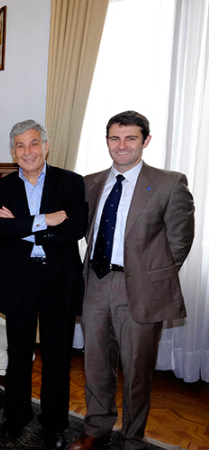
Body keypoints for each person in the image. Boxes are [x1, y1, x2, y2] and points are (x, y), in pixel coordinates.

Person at [69, 111, 194, 450]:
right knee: (95, 363)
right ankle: (96, 428)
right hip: (95, 282)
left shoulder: (169, 182)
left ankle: (132, 438)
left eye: (130, 138)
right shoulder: (90, 182)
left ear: (145, 141)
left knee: (137, 370)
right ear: (107, 140)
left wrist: (153, 278)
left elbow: (180, 241)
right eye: (114, 138)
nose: (121, 146)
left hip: (139, 290)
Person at [0, 120, 88, 450]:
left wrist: (20, 227)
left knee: (57, 356)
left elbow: (75, 228)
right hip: (20, 278)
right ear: (13, 152)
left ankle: (54, 424)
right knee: (18, 355)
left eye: (33, 144)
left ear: (45, 146)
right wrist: (47, 219)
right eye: (20, 146)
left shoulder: (70, 182)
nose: (27, 151)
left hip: (58, 278)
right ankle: (15, 417)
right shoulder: (3, 187)